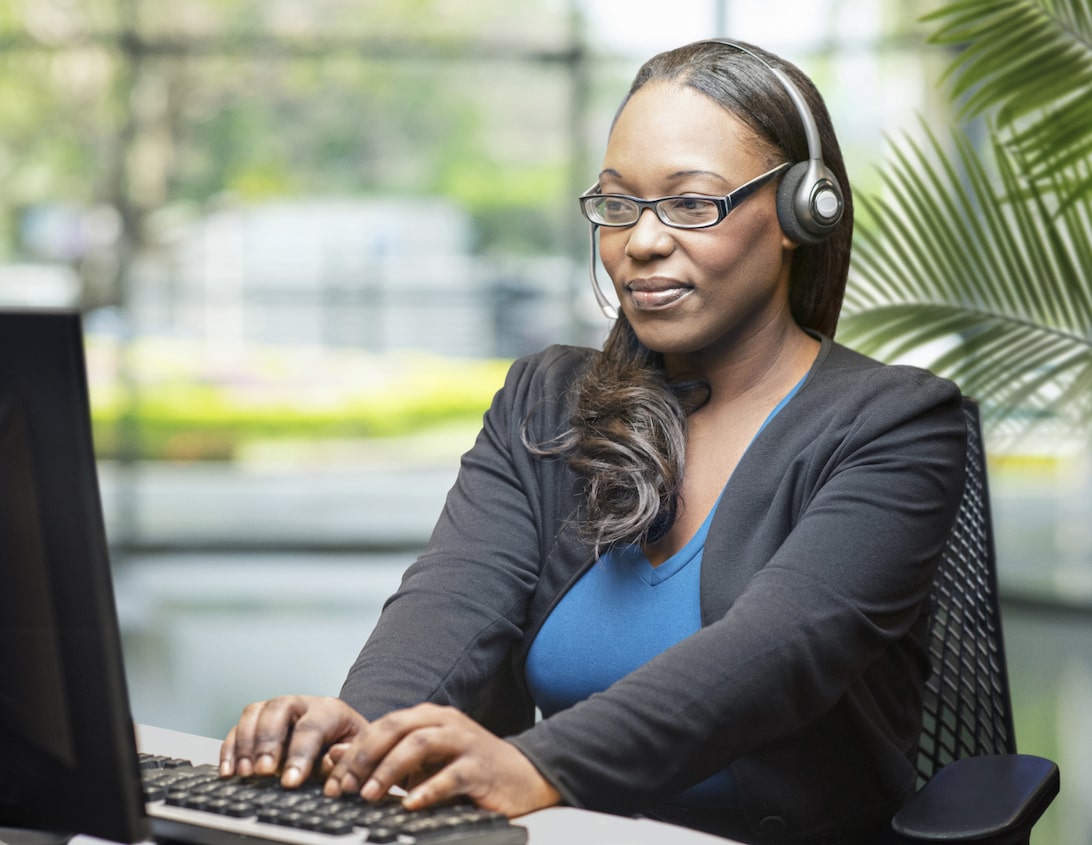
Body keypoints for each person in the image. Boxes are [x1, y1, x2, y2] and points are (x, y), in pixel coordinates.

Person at [220, 39, 967, 844]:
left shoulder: (896, 425)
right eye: (618, 204)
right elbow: (452, 605)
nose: (640, 241)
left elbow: (777, 654)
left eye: (691, 203)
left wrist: (539, 767)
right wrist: (360, 731)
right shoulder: (548, 402)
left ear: (799, 212)